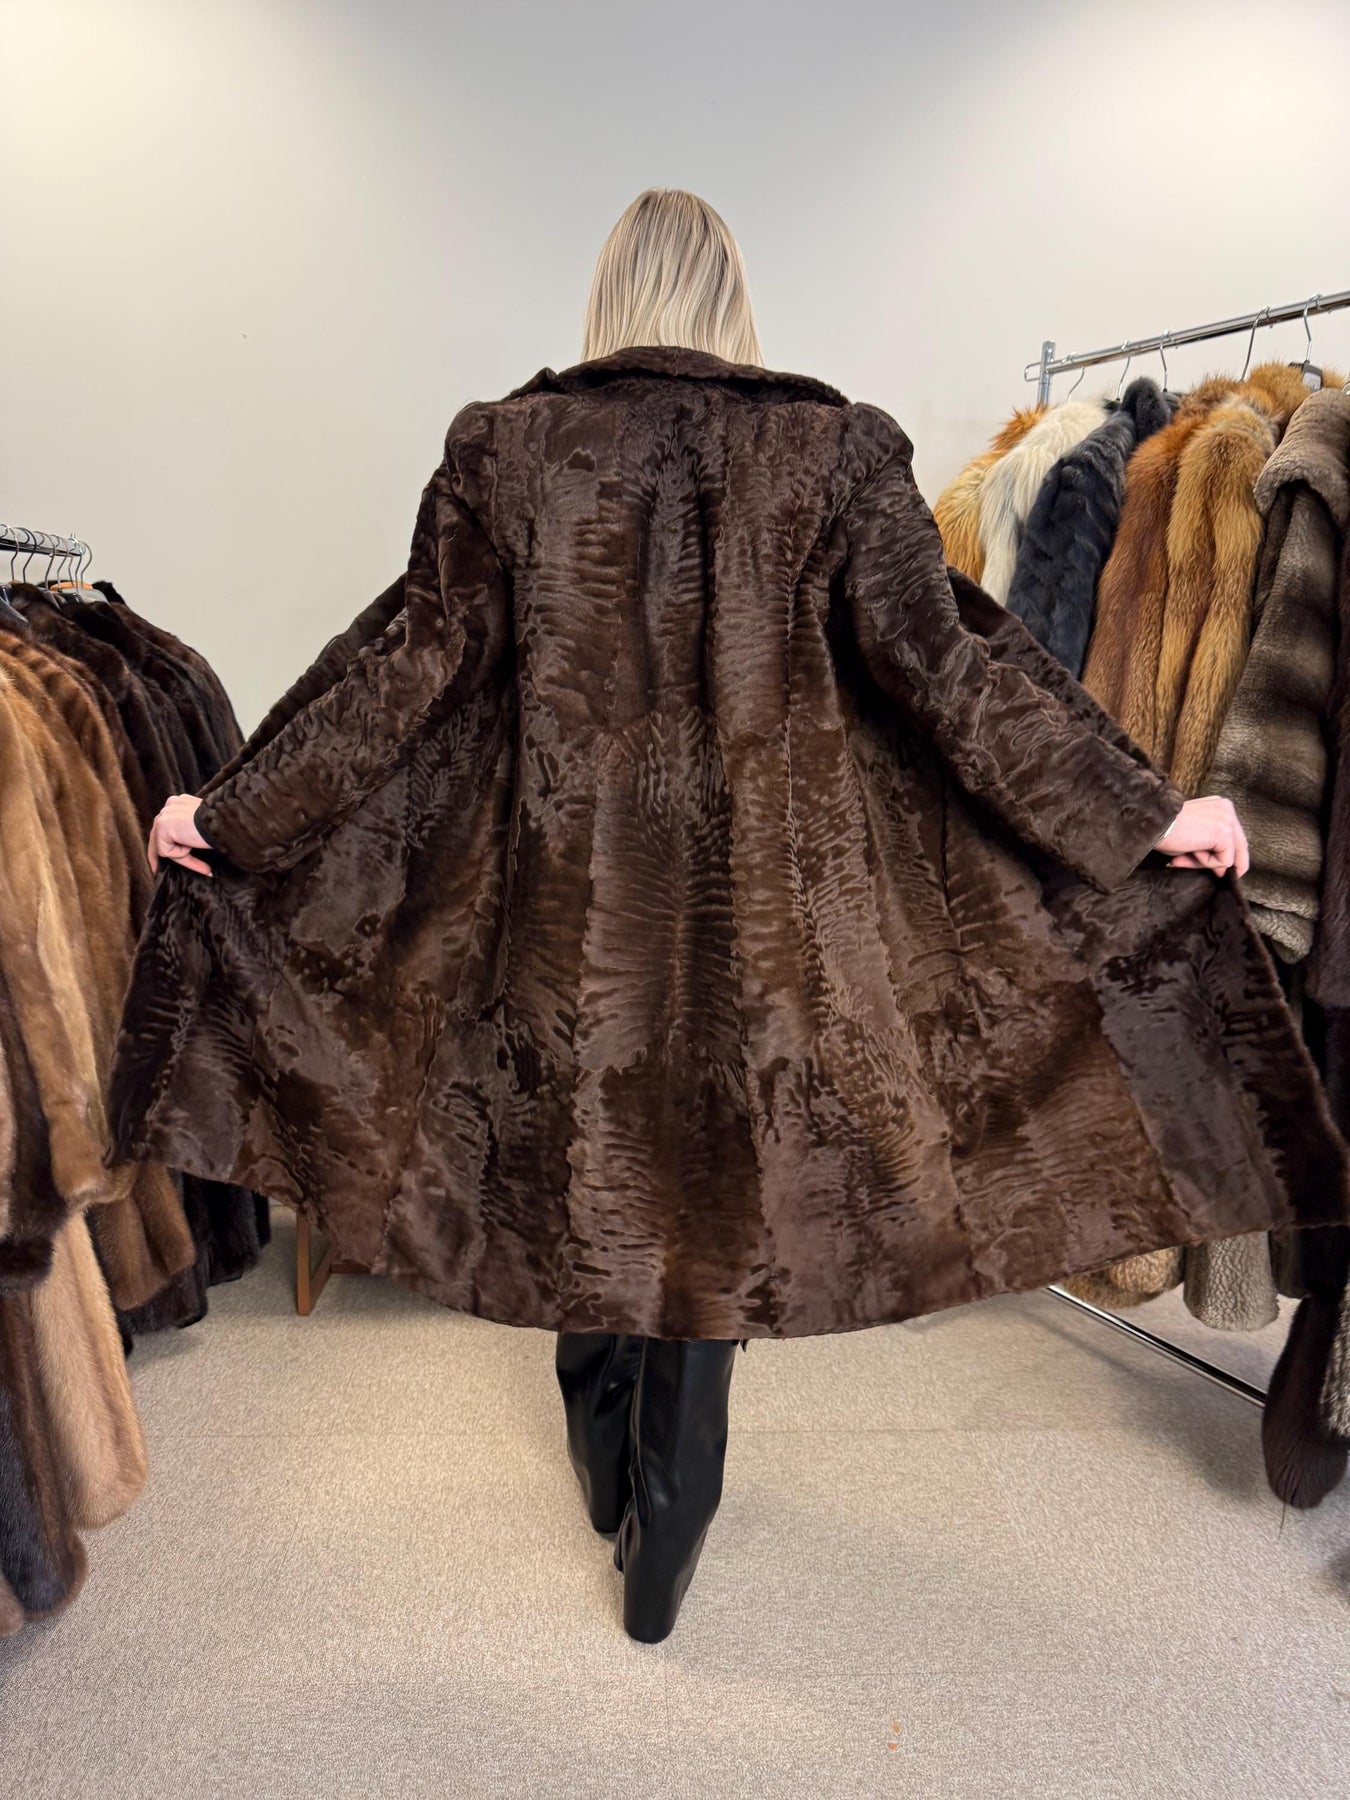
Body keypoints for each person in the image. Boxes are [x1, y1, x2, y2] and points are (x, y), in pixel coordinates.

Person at [127, 190, 1341, 1649]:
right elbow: (953, 678)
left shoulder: (504, 449)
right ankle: (667, 1536)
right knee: (707, 1220)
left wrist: (237, 818)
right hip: (765, 942)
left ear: (610, 297)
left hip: (564, 931)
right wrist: (1140, 814)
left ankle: (600, 1458)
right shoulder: (840, 452)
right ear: (732, 302)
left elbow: (402, 672)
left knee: (586, 1182)